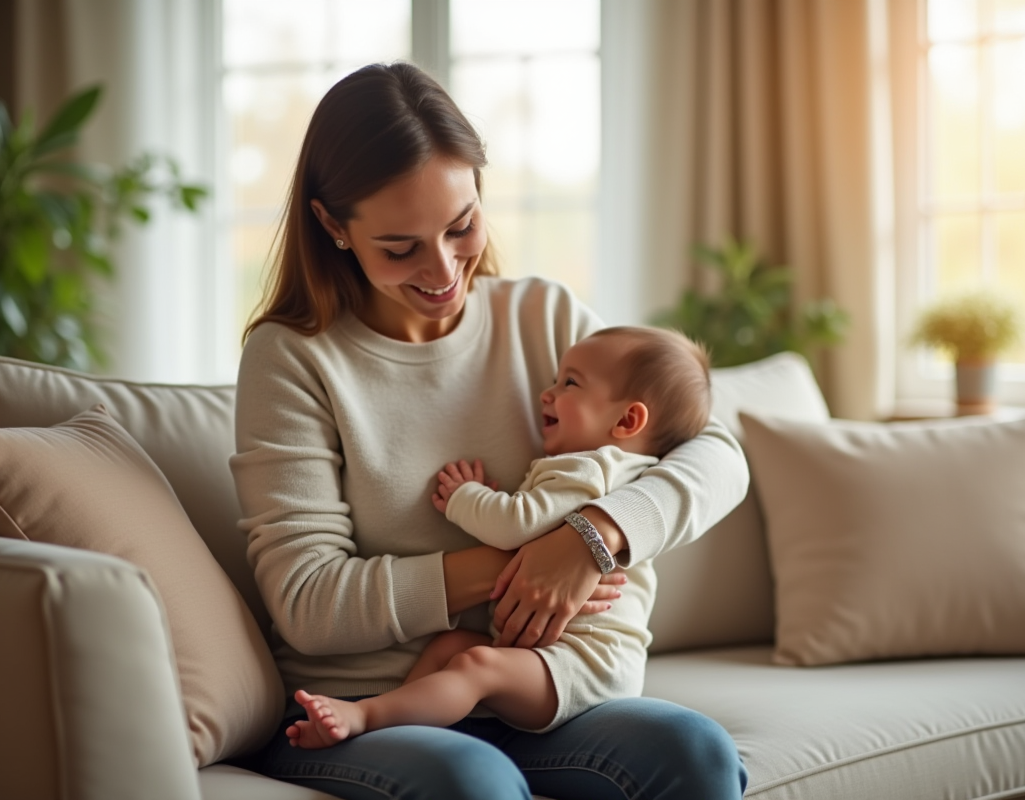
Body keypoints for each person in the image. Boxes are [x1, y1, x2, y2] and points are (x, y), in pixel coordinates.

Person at [230, 61, 750, 800]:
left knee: (694, 751)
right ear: (332, 225)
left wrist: (591, 537)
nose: (443, 269)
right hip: (366, 712)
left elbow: (718, 453)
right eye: (400, 247)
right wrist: (526, 562)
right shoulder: (293, 358)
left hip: (533, 689)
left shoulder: (542, 317)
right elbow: (310, 603)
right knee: (472, 780)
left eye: (461, 225)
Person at [287, 326, 712, 746]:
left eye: (569, 383)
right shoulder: (631, 471)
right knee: (451, 647)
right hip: (586, 661)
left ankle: (367, 716)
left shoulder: (585, 467)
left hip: (579, 663)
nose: (546, 393)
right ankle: (401, 727)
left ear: (627, 419)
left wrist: (464, 496)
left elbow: (516, 527)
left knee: (475, 664)